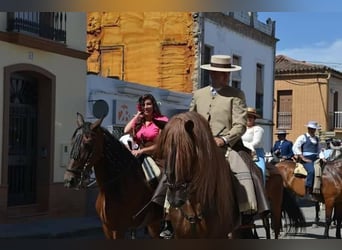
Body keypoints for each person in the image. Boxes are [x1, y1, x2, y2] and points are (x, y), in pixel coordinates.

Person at [188, 54, 269, 223]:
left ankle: (248, 210)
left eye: (228, 73)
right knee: (174, 170)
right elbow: (191, 118)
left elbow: (240, 125)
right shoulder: (198, 94)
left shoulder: (236, 94)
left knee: (248, 172)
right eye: (222, 73)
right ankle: (165, 211)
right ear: (212, 74)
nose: (227, 77)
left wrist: (224, 140)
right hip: (200, 144)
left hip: (227, 146)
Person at [292, 121, 321, 200]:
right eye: (311, 129)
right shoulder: (303, 137)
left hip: (316, 158)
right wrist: (302, 157)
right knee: (311, 171)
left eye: (314, 129)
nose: (312, 130)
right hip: (306, 159)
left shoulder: (317, 139)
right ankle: (308, 191)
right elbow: (295, 147)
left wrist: (322, 157)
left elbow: (319, 150)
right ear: (308, 129)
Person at [241, 107, 266, 185]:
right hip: (241, 151)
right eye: (247, 116)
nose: (249, 119)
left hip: (256, 154)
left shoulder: (258, 129)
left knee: (261, 170)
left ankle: (262, 188)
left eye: (251, 117)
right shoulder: (240, 129)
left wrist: (244, 144)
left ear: (254, 119)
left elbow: (256, 142)